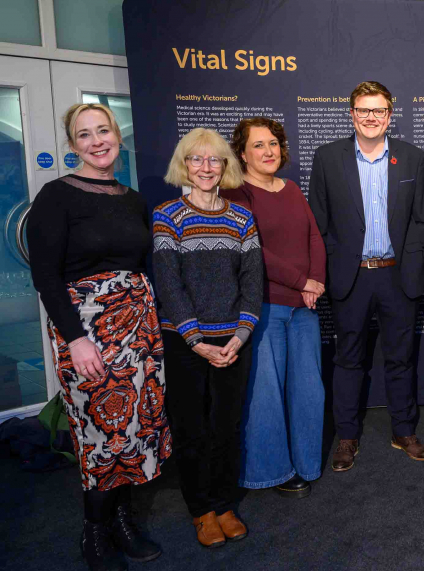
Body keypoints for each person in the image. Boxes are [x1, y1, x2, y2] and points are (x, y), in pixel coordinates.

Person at [28, 103, 169, 571]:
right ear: (73, 146)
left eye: (103, 131)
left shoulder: (132, 199)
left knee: (135, 426)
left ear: (117, 137)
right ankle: (94, 531)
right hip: (86, 328)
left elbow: (139, 264)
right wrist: (76, 338)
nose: (97, 141)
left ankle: (123, 520)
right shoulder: (55, 195)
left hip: (137, 326)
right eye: (84, 135)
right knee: (101, 431)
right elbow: (46, 275)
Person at [308, 81, 424, 471]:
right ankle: (347, 437)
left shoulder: (412, 157)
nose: (371, 118)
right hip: (351, 277)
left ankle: (404, 431)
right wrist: (331, 264)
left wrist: (415, 262)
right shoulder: (328, 157)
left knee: (401, 358)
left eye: (379, 111)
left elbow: (421, 218)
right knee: (349, 360)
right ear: (351, 114)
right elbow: (319, 221)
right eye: (364, 110)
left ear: (390, 115)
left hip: (397, 275)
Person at [153, 128, 263, 548]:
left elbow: (253, 283)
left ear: (225, 166)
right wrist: (197, 339)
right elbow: (168, 284)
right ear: (184, 165)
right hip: (186, 342)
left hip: (234, 341)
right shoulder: (168, 216)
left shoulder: (241, 218)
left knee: (227, 426)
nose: (205, 168)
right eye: (196, 160)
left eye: (213, 160)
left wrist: (240, 335)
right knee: (191, 428)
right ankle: (200, 510)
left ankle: (223, 504)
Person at [222, 117, 326, 498]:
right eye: (258, 145)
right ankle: (270, 472)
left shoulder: (293, 188)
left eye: (273, 144)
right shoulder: (235, 193)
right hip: (265, 305)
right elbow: (250, 248)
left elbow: (314, 235)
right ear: (243, 154)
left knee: (309, 389)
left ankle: (307, 462)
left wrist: (316, 280)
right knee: (265, 391)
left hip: (305, 307)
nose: (268, 151)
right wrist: (303, 282)